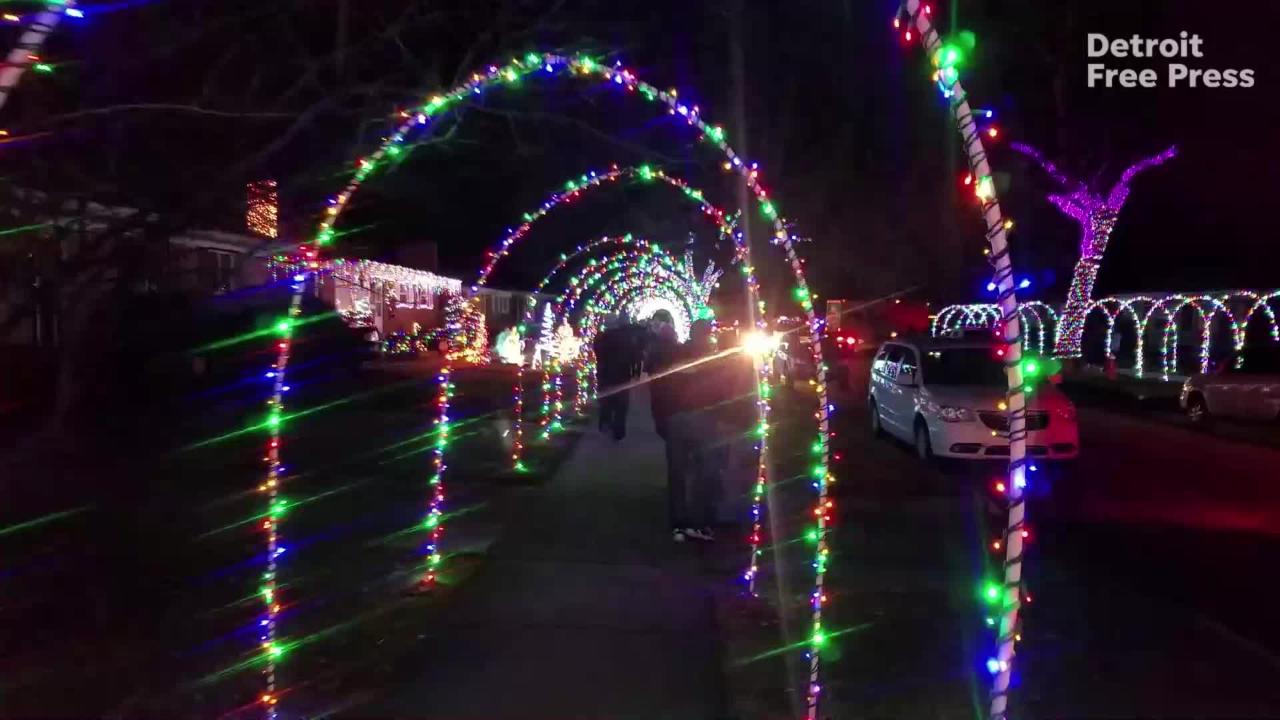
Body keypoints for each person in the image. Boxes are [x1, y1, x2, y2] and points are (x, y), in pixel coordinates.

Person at [662, 318, 755, 542]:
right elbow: (724, 393)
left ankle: (679, 525)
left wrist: (664, 418)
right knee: (705, 473)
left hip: (677, 419)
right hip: (704, 419)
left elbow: (663, 389)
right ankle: (700, 523)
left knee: (678, 473)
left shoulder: (676, 355)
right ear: (708, 334)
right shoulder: (716, 360)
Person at [591, 315, 638, 441]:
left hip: (604, 374)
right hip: (622, 374)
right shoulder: (624, 338)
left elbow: (596, 353)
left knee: (605, 400)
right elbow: (632, 354)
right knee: (621, 404)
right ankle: (619, 431)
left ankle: (605, 424)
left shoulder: (599, 337)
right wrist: (633, 369)